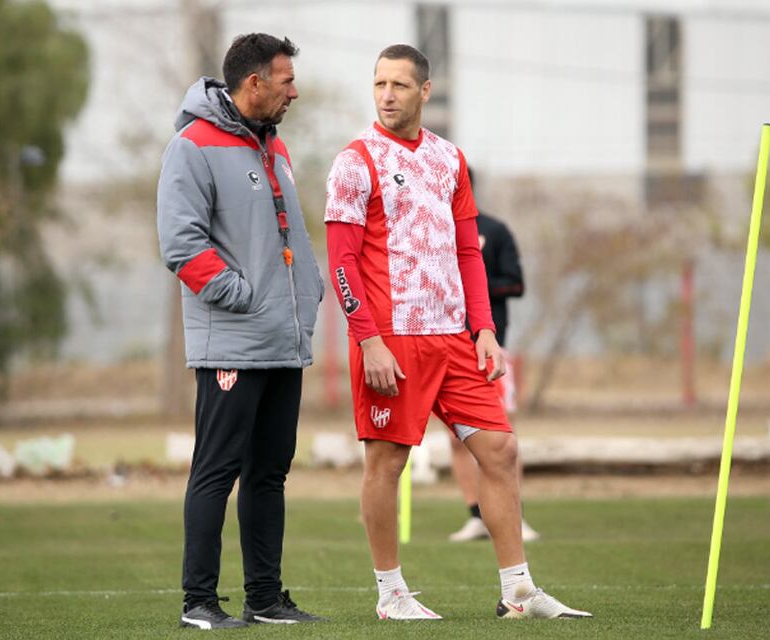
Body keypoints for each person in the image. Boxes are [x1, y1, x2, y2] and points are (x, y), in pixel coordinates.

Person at [324, 44, 591, 621]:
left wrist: (485, 330)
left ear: (425, 91)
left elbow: (468, 251)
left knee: (500, 448)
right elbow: (341, 262)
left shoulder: (450, 160)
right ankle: (391, 594)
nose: (387, 95)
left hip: (456, 340)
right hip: (390, 341)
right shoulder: (354, 160)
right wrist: (367, 338)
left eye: (399, 85)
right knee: (386, 465)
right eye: (378, 84)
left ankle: (517, 591)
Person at [157, 33, 325, 630]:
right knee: (216, 472)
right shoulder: (192, 145)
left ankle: (265, 598)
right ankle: (198, 603)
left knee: (268, 475)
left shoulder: (272, 148)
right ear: (253, 83)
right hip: (233, 340)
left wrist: (308, 292)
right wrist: (243, 298)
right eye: (286, 81)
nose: (294, 91)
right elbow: (181, 245)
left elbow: (288, 240)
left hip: (283, 342)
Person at [447, 169, 539, 544]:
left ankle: (515, 515)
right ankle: (475, 515)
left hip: (489, 347)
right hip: (444, 347)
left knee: (502, 436)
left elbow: (516, 283)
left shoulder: (494, 231)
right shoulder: (426, 231)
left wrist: (473, 280)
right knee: (456, 440)